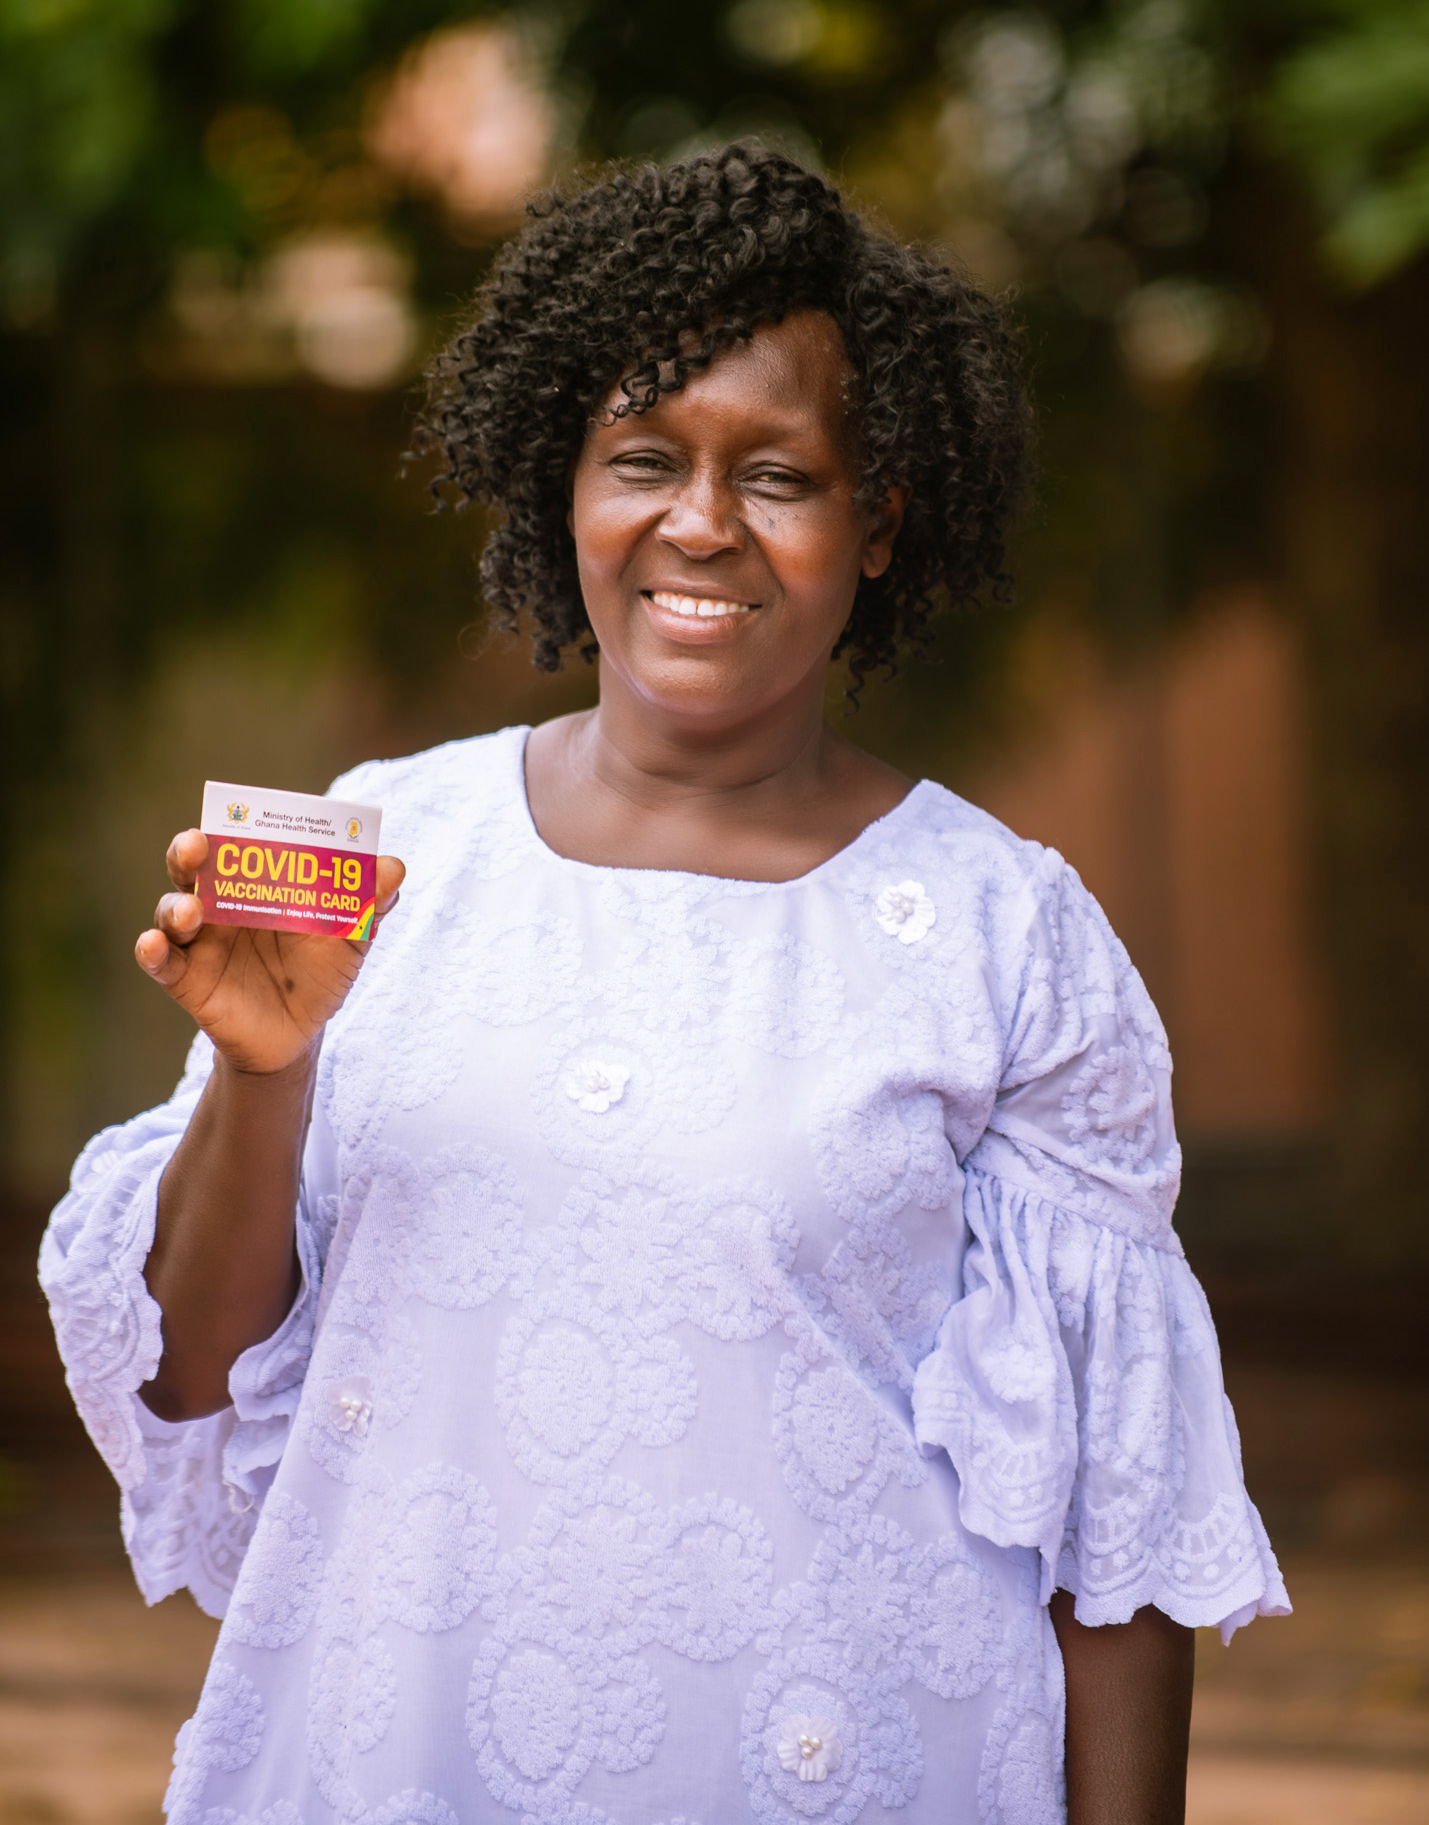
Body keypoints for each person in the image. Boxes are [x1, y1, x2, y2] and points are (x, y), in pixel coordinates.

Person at [40, 145, 1287, 1825]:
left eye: (777, 474)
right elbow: (188, 1371)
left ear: (878, 517)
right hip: (403, 1762)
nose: (698, 524)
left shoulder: (1002, 935)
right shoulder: (387, 852)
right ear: (563, 485)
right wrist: (268, 1078)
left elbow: (1110, 1525)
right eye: (642, 458)